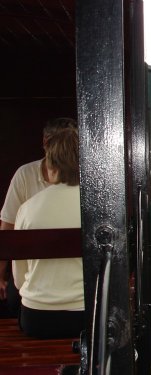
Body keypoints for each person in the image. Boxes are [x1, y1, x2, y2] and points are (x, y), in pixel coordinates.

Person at [0, 118, 77, 318]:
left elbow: (19, 280)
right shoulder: (24, 175)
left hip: (37, 312)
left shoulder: (27, 209)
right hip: (85, 307)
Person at [14, 127, 84, 339]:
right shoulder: (97, 206)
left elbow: (18, 281)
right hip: (85, 314)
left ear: (51, 166)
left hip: (36, 318)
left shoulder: (27, 209)